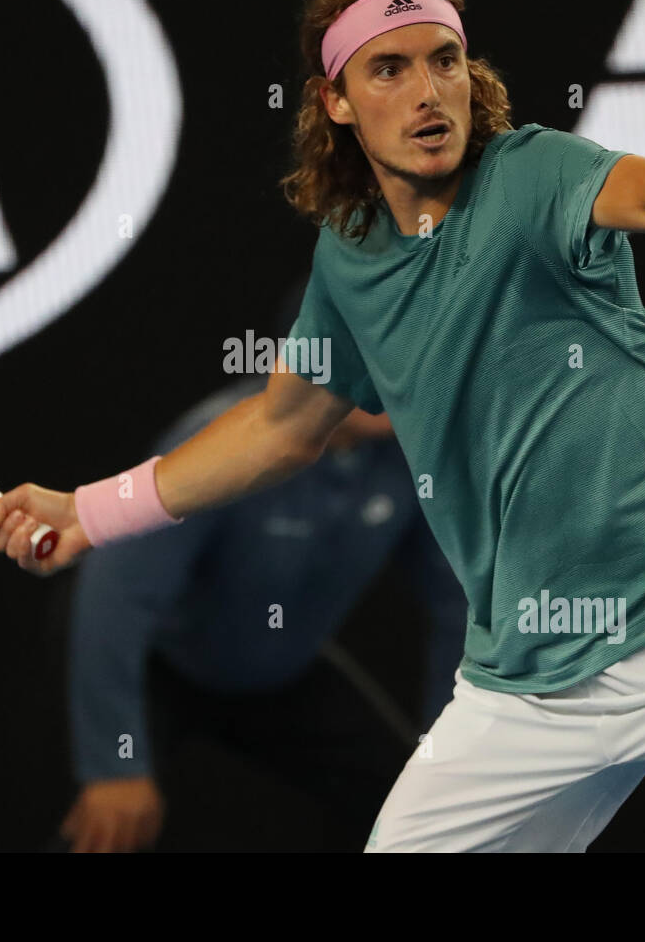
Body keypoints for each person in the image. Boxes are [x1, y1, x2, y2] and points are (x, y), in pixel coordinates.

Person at [0, 0, 645, 853]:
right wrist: (90, 510)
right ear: (337, 101)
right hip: (521, 685)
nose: (427, 91)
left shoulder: (534, 173)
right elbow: (281, 426)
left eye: (444, 60)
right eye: (388, 69)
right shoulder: (350, 256)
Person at [54, 357, 466, 853]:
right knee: (100, 831)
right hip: (156, 667)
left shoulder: (413, 458)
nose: (388, 374)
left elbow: (456, 605)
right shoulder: (221, 439)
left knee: (424, 816)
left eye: (396, 352)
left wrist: (448, 759)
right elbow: (115, 593)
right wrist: (113, 766)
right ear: (296, 362)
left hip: (283, 673)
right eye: (363, 352)